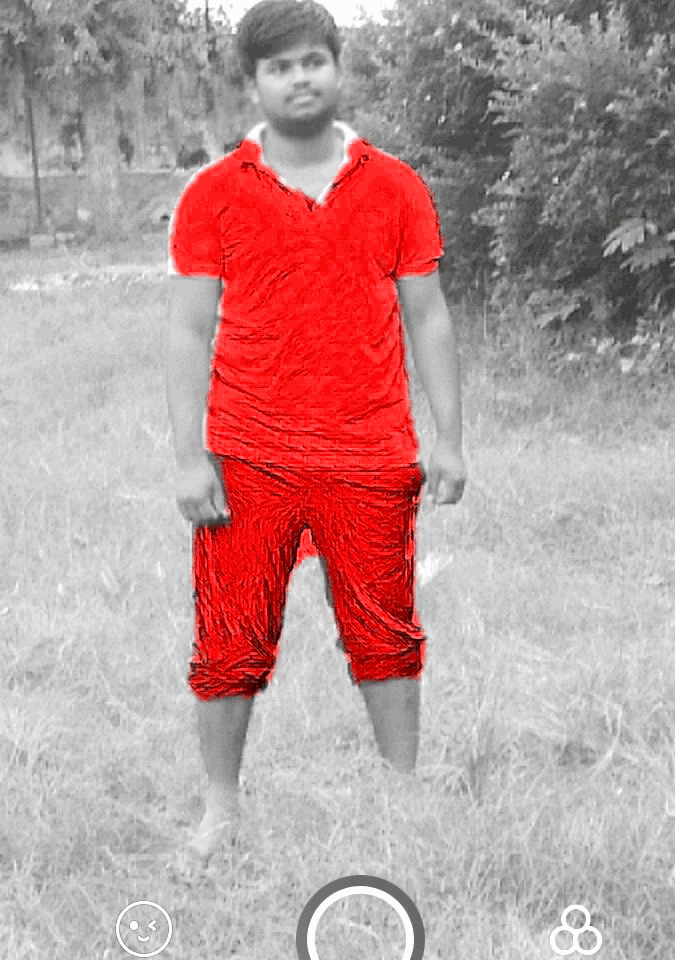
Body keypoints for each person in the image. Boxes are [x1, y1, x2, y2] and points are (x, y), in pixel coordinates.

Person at [166, 0, 468, 860]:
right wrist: (189, 457)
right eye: (280, 67)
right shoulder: (213, 194)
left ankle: (402, 799)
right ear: (253, 85)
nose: (300, 79)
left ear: (338, 68)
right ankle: (220, 812)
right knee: (229, 639)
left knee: (386, 631)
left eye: (313, 61)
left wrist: (448, 439)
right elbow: (188, 329)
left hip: (371, 453)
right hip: (248, 458)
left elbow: (428, 316)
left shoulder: (396, 186)